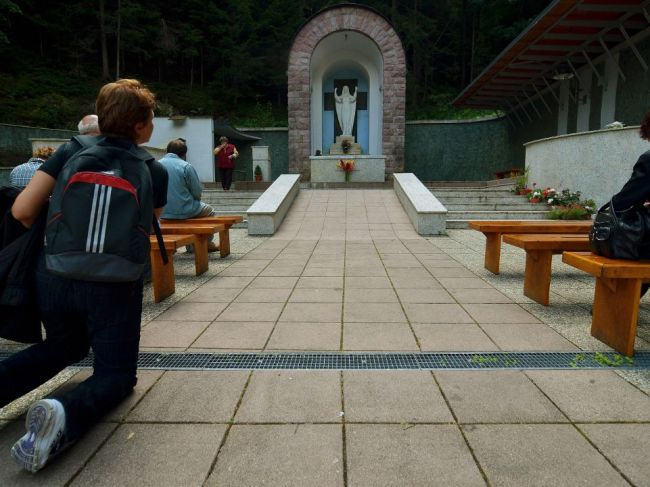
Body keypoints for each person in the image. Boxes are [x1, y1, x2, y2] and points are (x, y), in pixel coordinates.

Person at [1, 78, 168, 473]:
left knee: (62, 346)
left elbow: (22, 212)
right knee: (115, 373)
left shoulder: (68, 152)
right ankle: (63, 411)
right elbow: (146, 226)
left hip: (55, 275)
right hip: (115, 286)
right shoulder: (152, 169)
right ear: (142, 126)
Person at [160, 138, 219, 252]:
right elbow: (197, 191)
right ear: (184, 153)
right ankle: (205, 244)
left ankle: (191, 244)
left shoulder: (156, 165)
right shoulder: (186, 166)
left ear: (167, 151)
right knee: (210, 211)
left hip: (162, 212)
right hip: (186, 209)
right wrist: (195, 201)